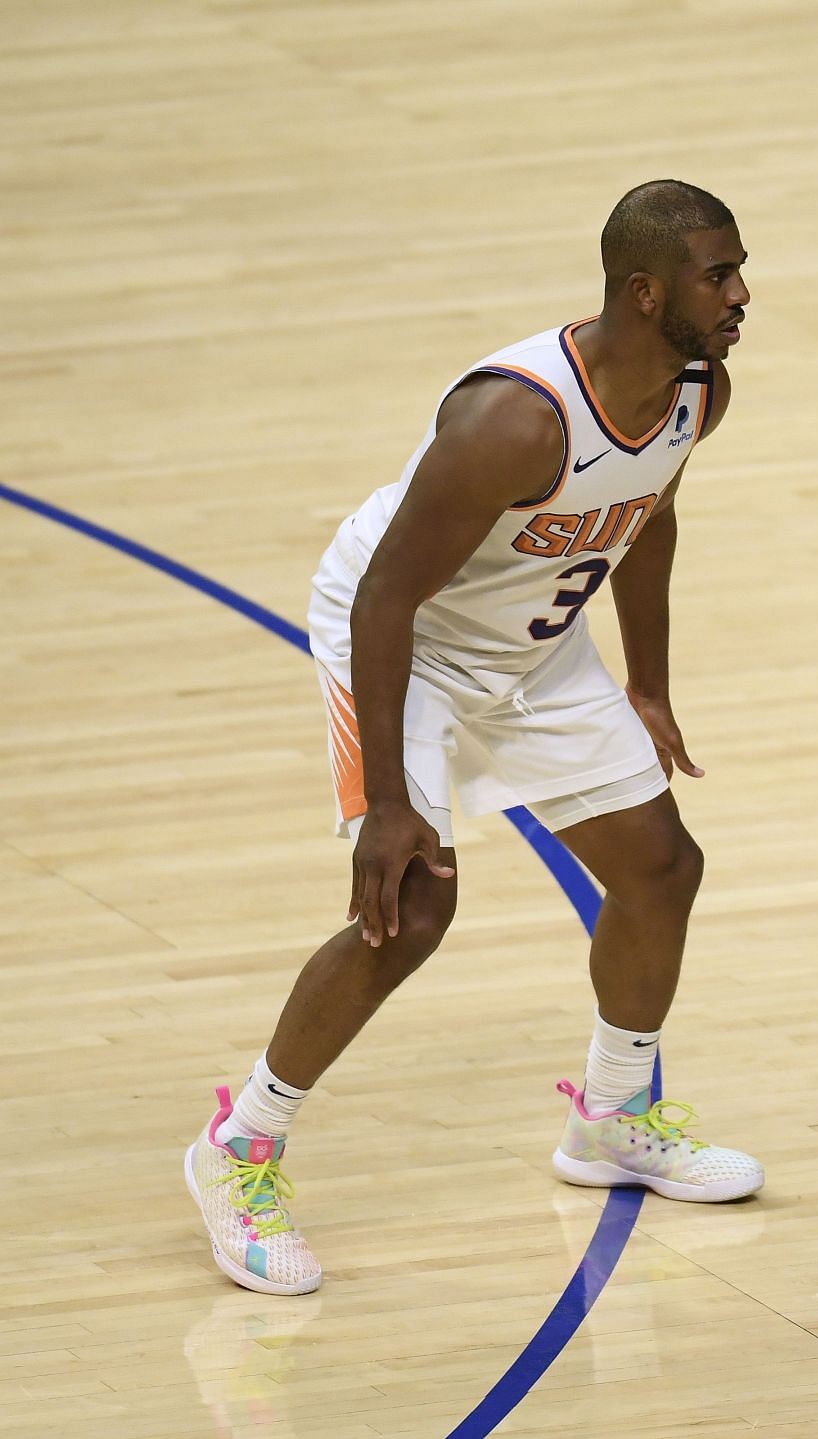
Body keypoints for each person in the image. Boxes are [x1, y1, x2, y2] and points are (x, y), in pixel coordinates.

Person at [186, 180, 764, 1297]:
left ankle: (610, 1121)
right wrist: (393, 799)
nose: (741, 293)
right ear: (646, 292)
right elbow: (384, 598)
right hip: (406, 637)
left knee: (660, 866)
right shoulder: (516, 418)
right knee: (414, 905)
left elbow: (650, 516)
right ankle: (237, 1147)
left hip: (532, 642)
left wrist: (646, 681)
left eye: (739, 268)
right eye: (718, 273)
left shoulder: (699, 390)